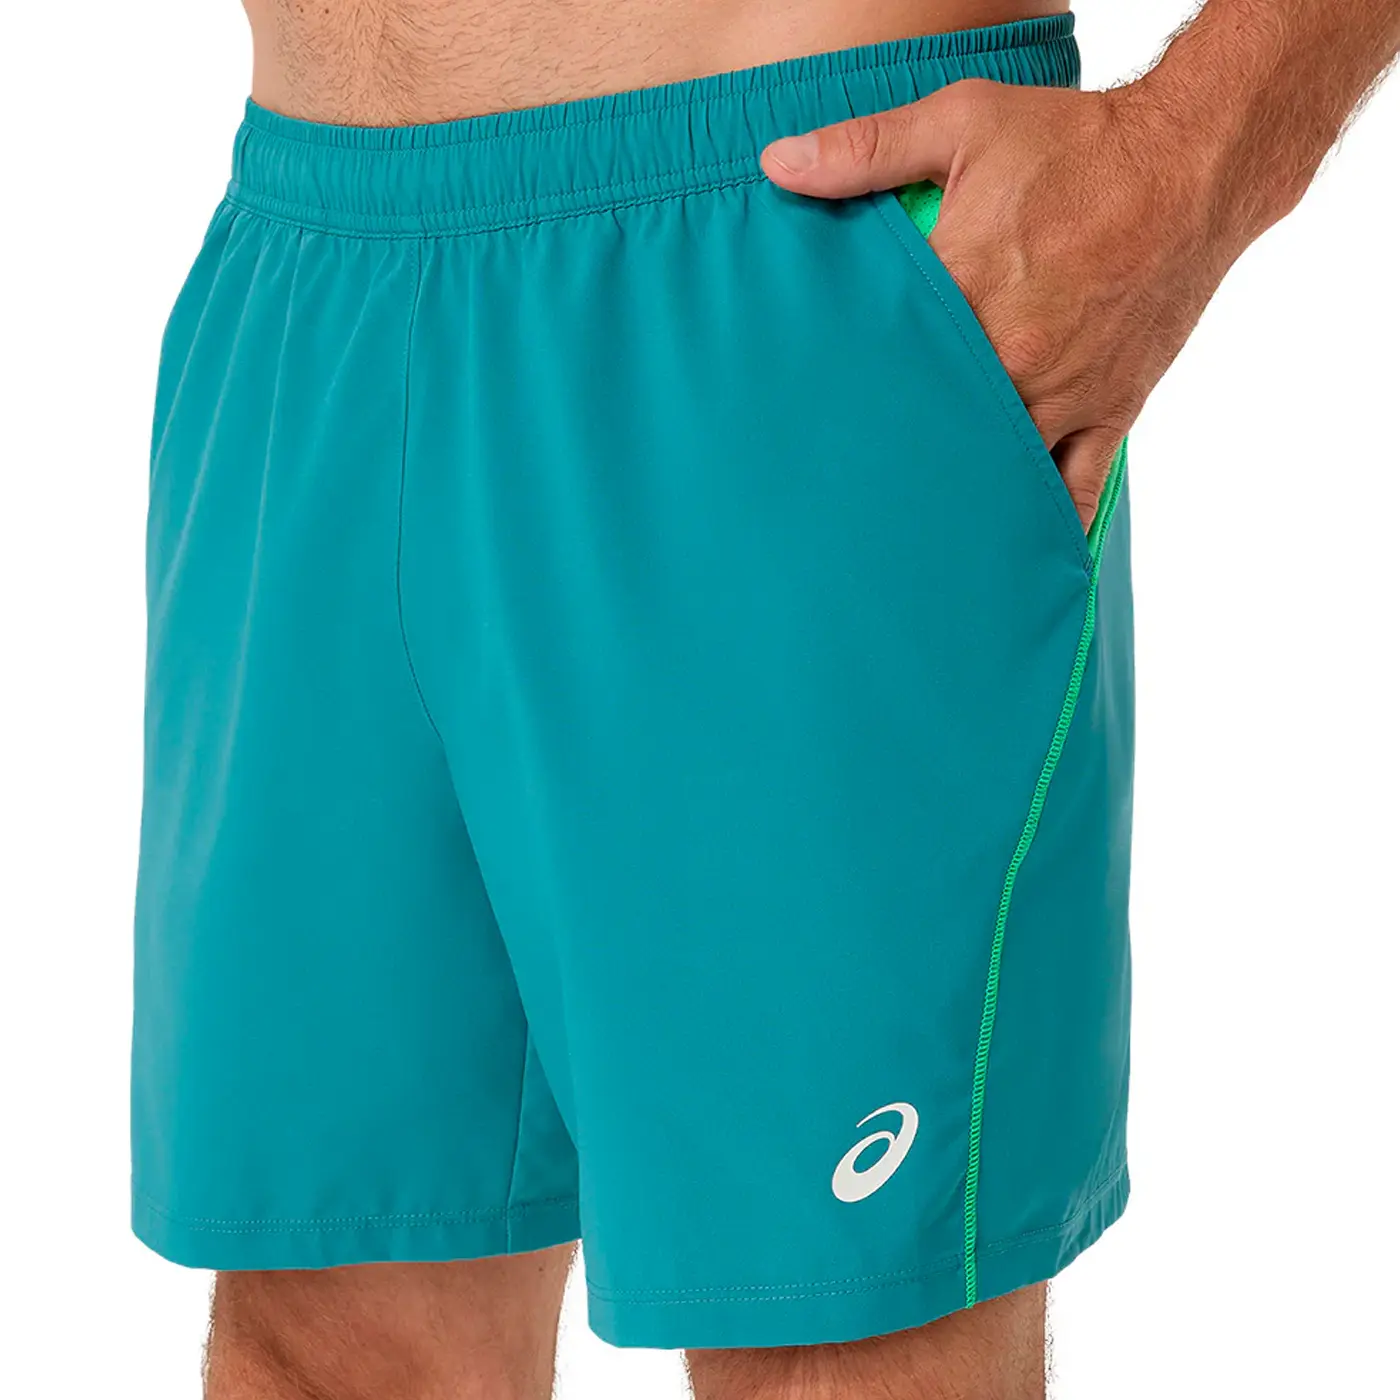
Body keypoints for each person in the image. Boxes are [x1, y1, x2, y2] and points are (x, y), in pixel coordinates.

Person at [130, 0, 1399, 1396]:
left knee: (838, 1334)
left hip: (788, 235)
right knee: (330, 1329)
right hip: (308, 280)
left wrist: (1183, 162)